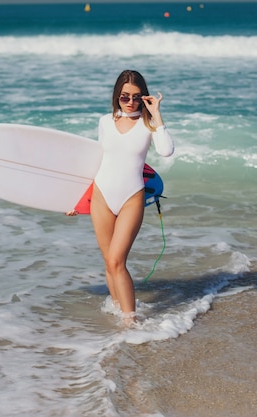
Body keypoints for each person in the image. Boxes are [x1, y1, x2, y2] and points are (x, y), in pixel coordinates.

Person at [69, 70, 174, 323]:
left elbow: (166, 150)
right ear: (117, 95)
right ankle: (118, 310)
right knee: (108, 262)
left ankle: (130, 320)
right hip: (101, 196)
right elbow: (95, 162)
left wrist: (156, 114)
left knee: (117, 259)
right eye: (125, 96)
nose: (130, 102)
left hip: (131, 197)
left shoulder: (148, 124)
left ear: (144, 97)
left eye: (136, 97)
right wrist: (76, 200)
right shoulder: (105, 121)